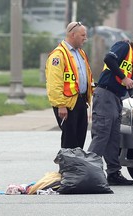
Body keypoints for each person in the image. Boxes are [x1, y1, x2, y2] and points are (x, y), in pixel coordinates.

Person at [88, 32, 133, 185]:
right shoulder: (123, 46)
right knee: (102, 134)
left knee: (114, 138)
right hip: (105, 95)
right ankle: (89, 172)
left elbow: (132, 74)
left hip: (116, 98)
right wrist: (124, 78)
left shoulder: (131, 59)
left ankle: (114, 173)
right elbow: (109, 59)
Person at [45, 21, 94, 149]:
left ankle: (76, 167)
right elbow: (54, 83)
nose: (85, 38)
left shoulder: (80, 53)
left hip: (81, 100)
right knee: (70, 139)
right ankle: (67, 168)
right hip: (67, 104)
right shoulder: (58, 55)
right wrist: (61, 105)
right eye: (83, 35)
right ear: (73, 35)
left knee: (80, 138)